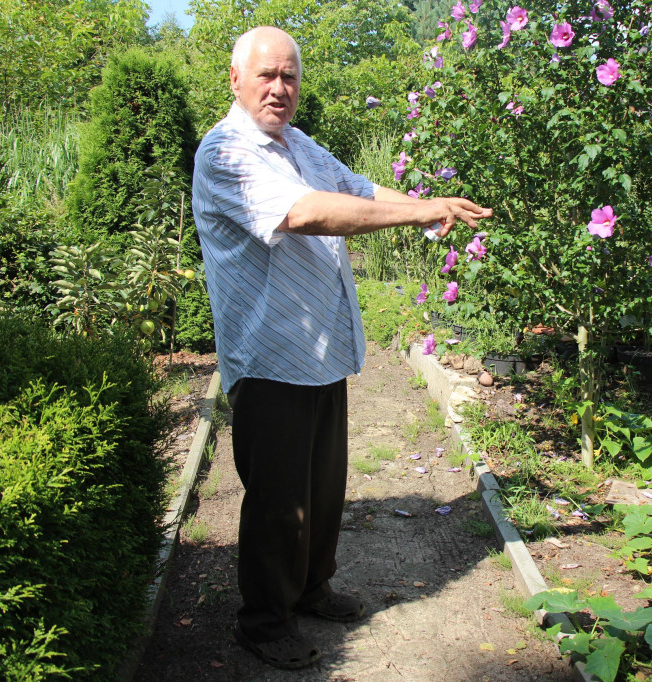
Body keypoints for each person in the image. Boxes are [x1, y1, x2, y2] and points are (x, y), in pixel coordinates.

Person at [191, 26, 492, 670]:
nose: (280, 88)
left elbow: (354, 188)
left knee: (324, 485)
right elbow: (304, 213)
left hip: (320, 351)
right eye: (268, 75)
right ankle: (265, 622)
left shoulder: (295, 144)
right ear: (236, 79)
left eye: (290, 77)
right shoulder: (226, 152)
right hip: (270, 356)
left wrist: (432, 205)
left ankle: (311, 588)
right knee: (277, 496)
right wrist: (418, 214)